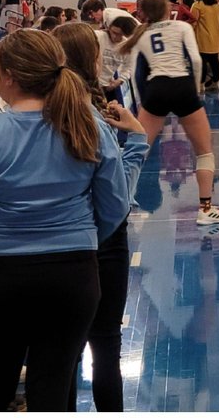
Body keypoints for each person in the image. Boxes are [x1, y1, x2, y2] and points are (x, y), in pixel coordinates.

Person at [0, 29, 131, 413]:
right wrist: (77, 234)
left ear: (10, 76)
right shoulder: (89, 127)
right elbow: (114, 208)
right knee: (53, 388)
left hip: (3, 279)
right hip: (73, 276)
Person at [50, 22, 149, 414]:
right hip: (100, 242)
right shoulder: (90, 120)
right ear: (89, 59)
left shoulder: (41, 117)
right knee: (105, 344)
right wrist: (137, 139)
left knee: (63, 351)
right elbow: (117, 199)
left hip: (58, 246)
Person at [121, 0, 219, 224]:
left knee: (137, 151)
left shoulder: (141, 34)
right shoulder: (182, 28)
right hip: (182, 86)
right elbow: (195, 59)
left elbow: (133, 75)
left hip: (155, 89)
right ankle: (205, 209)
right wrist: (195, 90)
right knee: (204, 152)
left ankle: (120, 204)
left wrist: (143, 102)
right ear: (167, 9)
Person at [191, 0, 219, 90]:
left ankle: (200, 85)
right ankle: (215, 81)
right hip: (215, 40)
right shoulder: (218, 6)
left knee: (202, 63)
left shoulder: (197, 5)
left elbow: (193, 22)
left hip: (202, 40)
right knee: (215, 61)